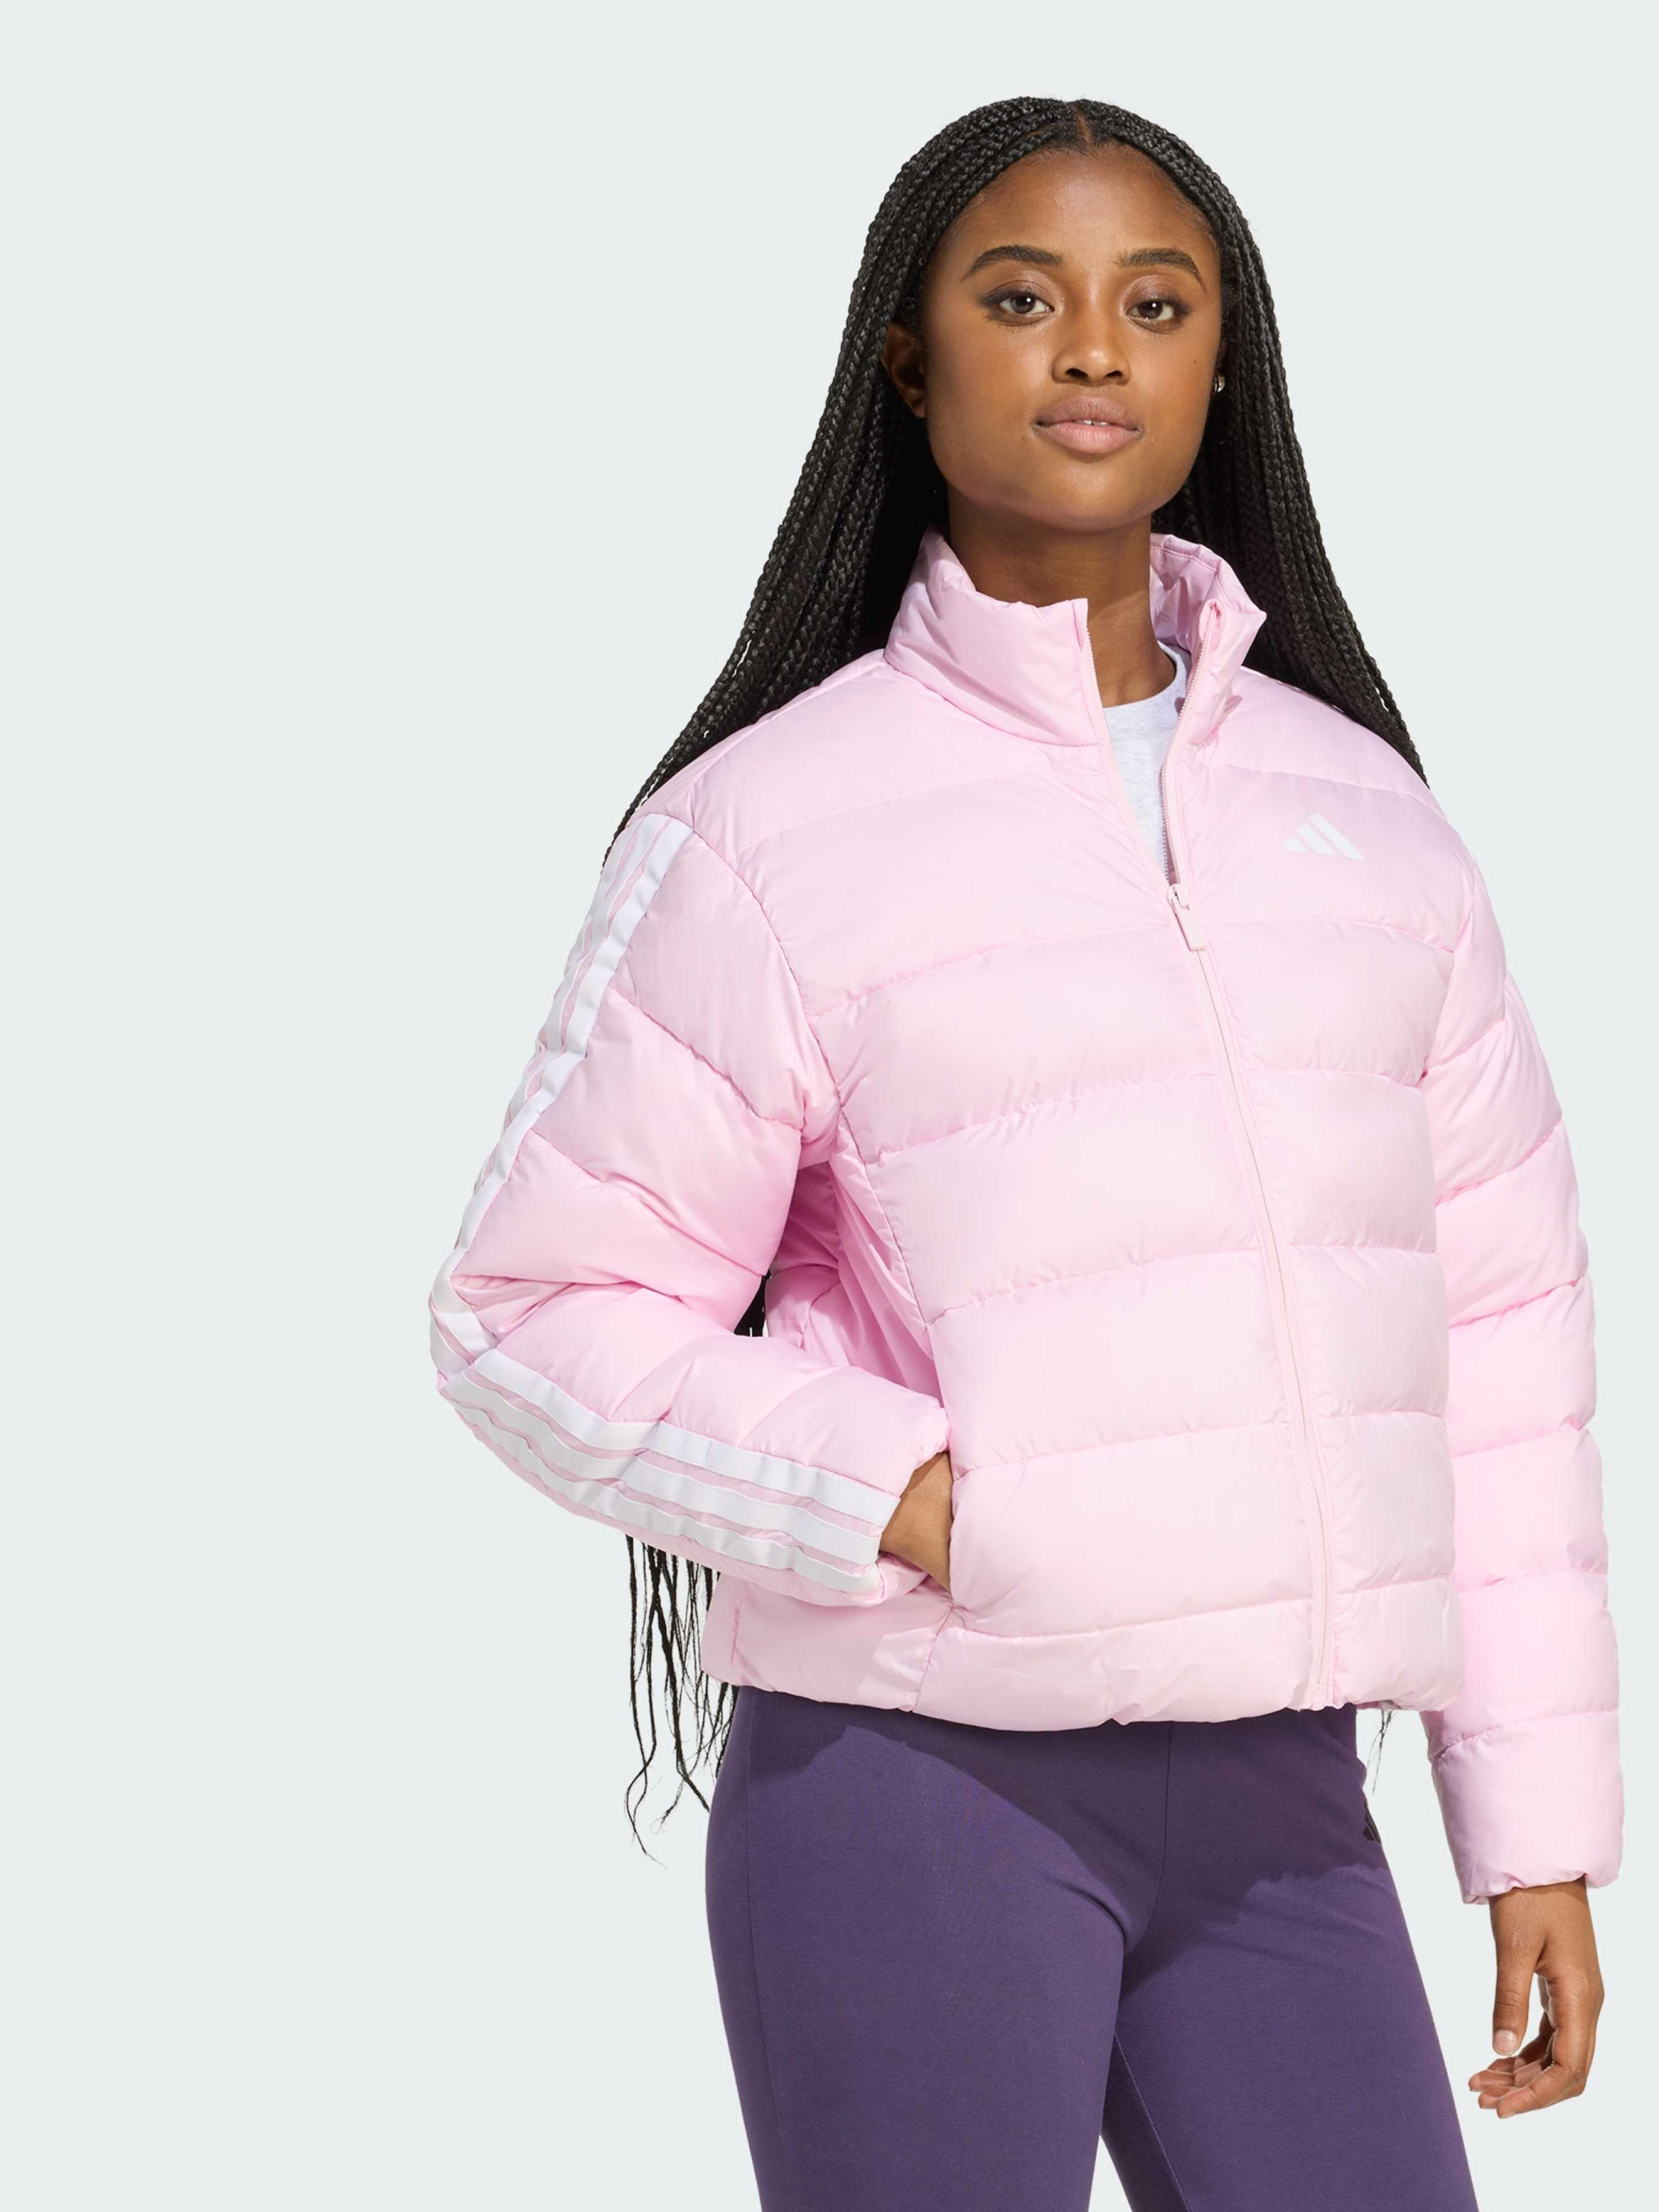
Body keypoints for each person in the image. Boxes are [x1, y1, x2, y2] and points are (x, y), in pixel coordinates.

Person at [427, 97, 1620, 2210]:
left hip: (1283, 1807)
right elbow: (531, 1311)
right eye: (1019, 298)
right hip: (917, 1784)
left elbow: (1502, 1348)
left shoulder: (1374, 826)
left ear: (1222, 366)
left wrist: (1533, 1831)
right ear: (910, 357)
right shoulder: (764, 830)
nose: (1091, 349)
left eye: (1155, 305)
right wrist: (916, 1501)